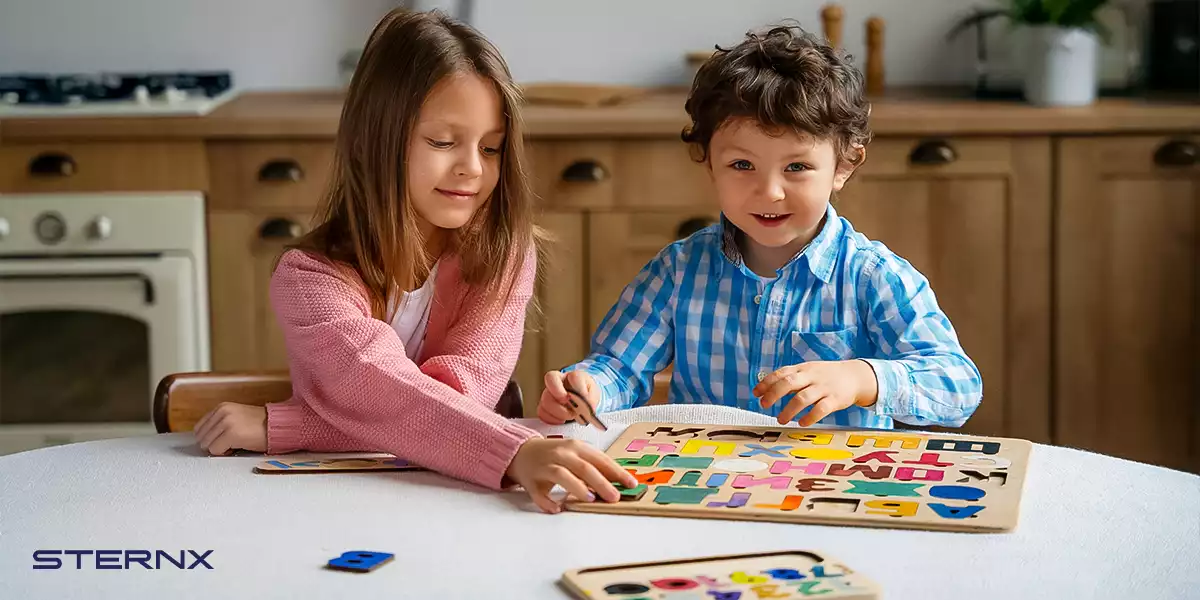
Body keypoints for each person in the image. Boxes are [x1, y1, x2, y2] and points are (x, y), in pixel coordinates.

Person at [193, 8, 636, 513]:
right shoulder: (307, 280)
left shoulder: (505, 252)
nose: (471, 167)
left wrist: (291, 424)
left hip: (454, 498)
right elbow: (383, 393)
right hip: (338, 503)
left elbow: (455, 395)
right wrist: (515, 450)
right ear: (376, 140)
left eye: (490, 148)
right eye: (443, 142)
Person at [538, 24, 982, 430]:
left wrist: (863, 377)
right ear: (708, 163)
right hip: (705, 485)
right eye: (742, 164)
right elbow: (618, 369)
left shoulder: (872, 276)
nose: (769, 192)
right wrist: (587, 391)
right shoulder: (677, 271)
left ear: (844, 165)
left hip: (825, 493)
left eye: (797, 166)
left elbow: (959, 386)